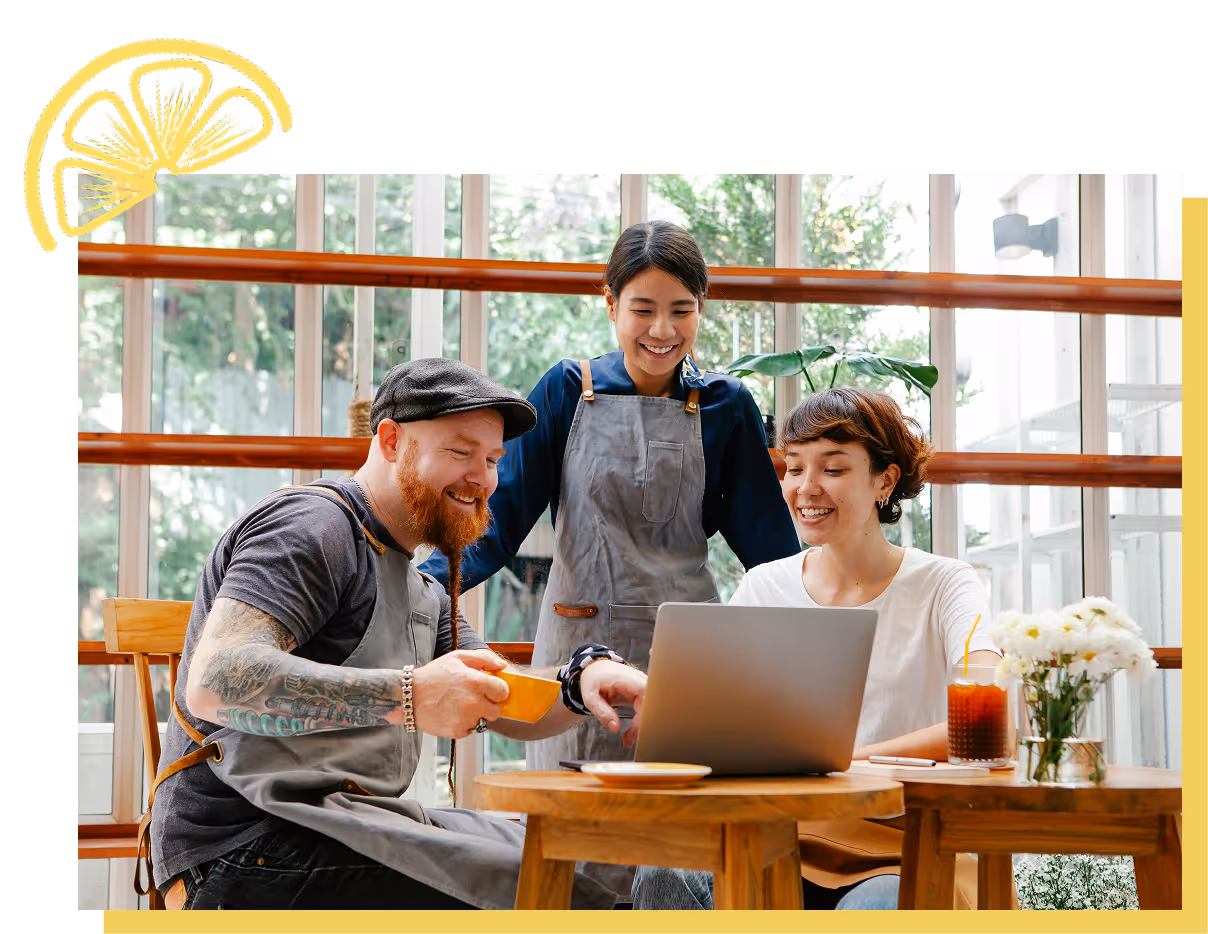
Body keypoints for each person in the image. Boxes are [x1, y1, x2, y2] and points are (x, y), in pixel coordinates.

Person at [147, 358, 649, 910]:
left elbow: (501, 700)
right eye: (460, 452)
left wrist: (581, 679)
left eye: (491, 459)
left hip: (346, 826)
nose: (481, 478)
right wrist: (410, 696)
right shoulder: (313, 527)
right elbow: (216, 681)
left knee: (587, 865)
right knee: (556, 895)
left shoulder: (422, 589)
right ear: (390, 441)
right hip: (242, 848)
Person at [420, 220, 800, 774]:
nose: (662, 329)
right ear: (611, 304)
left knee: (685, 841)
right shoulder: (566, 390)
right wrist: (419, 586)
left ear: (701, 308)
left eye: (681, 309)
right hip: (578, 655)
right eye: (643, 309)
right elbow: (496, 527)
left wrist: (828, 638)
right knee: (576, 841)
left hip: (689, 657)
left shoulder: (728, 404)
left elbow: (770, 554)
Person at [631, 387, 1000, 910]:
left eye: (833, 469)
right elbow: (718, 721)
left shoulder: (945, 584)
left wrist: (841, 764)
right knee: (664, 873)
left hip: (905, 845)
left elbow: (987, 718)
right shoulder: (764, 586)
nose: (806, 488)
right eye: (795, 467)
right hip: (778, 838)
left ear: (884, 481)